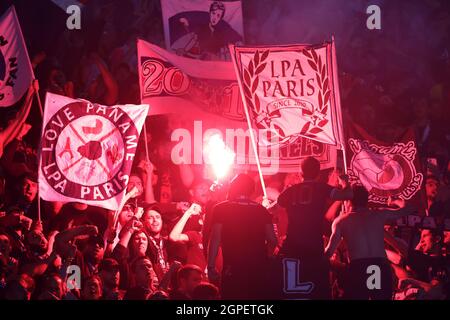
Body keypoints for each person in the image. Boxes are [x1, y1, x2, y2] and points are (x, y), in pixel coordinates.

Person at [276, 156, 352, 299]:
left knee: (292, 290)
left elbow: (279, 205)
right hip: (313, 246)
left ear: (301, 172)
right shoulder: (322, 188)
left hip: (292, 246)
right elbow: (348, 194)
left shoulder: (290, 190)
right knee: (314, 288)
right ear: (318, 173)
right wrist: (345, 182)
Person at [324, 186, 415, 299]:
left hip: (359, 268)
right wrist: (395, 200)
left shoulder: (341, 221)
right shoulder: (379, 214)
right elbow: (408, 209)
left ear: (348, 200)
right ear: (366, 200)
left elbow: (329, 251)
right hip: (378, 266)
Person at [208, 174, 277, 299]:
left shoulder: (221, 208)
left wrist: (211, 265)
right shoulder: (262, 210)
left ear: (233, 188)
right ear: (252, 190)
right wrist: (267, 256)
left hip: (232, 269)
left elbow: (215, 239)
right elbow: (272, 240)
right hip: (257, 270)